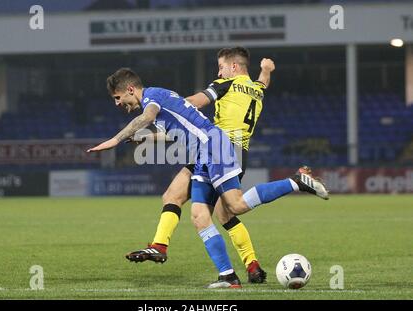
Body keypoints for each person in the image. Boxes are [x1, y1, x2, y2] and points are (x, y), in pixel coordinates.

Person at [87, 68, 329, 288]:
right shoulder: (161, 100)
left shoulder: (151, 99)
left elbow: (146, 118)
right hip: (204, 151)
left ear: (130, 89)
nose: (118, 103)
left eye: (118, 98)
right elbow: (176, 131)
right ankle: (227, 276)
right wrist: (144, 138)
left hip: (214, 146)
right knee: (199, 216)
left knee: (234, 205)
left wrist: (115, 140)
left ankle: (295, 182)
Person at [125, 47, 274, 284]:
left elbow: (192, 105)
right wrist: (266, 70)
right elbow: (263, 82)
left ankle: (168, 249)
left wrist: (167, 102)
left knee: (211, 210)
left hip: (217, 148)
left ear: (234, 67)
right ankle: (252, 266)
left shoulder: (225, 85)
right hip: (233, 151)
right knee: (220, 212)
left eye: (222, 66)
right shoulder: (257, 90)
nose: (219, 71)